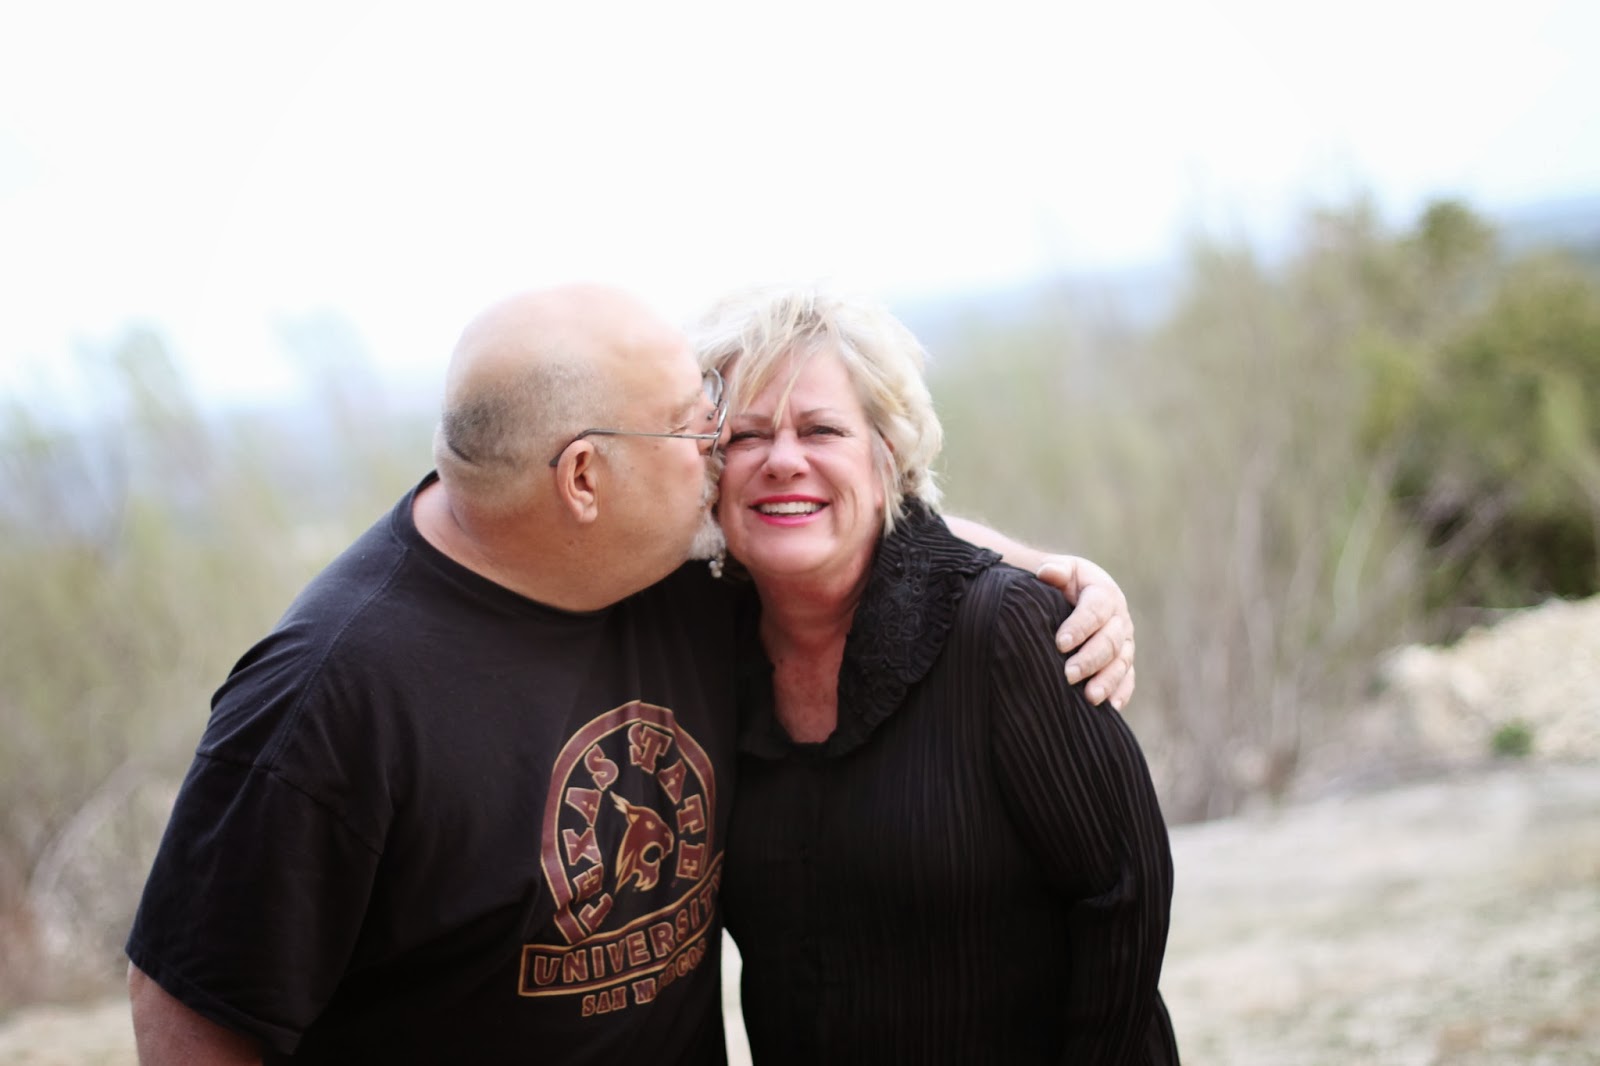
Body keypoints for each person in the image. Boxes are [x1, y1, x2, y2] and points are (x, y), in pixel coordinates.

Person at [125, 284, 1136, 1065]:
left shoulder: (667, 572)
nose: (720, 455)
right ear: (583, 478)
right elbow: (190, 1004)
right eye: (699, 430)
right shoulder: (328, 697)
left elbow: (841, 528)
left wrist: (1048, 571)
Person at [695, 285, 1179, 1064]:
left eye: (820, 429)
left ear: (886, 459)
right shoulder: (700, 647)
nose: (783, 460)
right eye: (747, 436)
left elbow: (1126, 890)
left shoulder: (1004, 629)